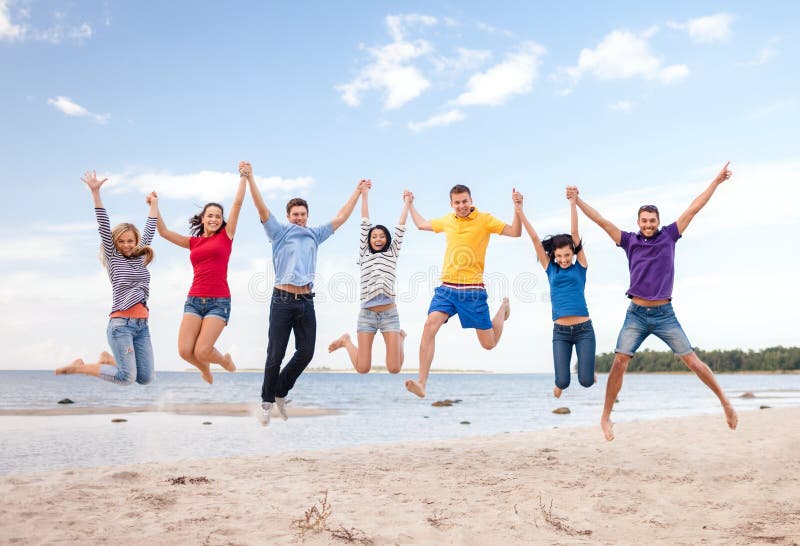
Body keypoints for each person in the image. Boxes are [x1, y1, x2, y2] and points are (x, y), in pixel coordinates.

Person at [571, 162, 738, 441]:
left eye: (652, 220)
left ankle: (726, 404)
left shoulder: (670, 236)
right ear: (638, 223)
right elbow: (601, 221)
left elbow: (694, 208)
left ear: (657, 222)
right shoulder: (628, 241)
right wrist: (577, 201)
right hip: (636, 314)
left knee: (694, 362)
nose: (648, 224)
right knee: (619, 362)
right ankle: (606, 417)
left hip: (664, 314)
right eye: (644, 221)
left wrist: (716, 181)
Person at [241, 161, 364, 425]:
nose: (299, 217)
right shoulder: (279, 232)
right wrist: (250, 178)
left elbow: (341, 217)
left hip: (306, 301)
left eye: (303, 214)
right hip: (282, 299)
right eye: (295, 214)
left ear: (308, 215)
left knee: (306, 352)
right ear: (288, 216)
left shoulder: (314, 234)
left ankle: (279, 392)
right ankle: (266, 402)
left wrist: (357, 191)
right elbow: (261, 208)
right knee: (275, 353)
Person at [403, 184, 522, 398]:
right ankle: (422, 382)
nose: (461, 206)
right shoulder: (447, 220)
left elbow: (515, 232)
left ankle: (503, 308)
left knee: (488, 344)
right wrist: (410, 204)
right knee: (430, 325)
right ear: (451, 204)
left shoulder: (485, 220)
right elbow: (421, 225)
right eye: (457, 202)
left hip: (473, 291)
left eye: (465, 201)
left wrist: (518, 208)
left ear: (471, 200)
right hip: (447, 288)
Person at [56, 171, 158, 385]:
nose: (127, 245)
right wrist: (95, 192)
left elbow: (150, 228)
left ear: (136, 241)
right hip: (121, 324)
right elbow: (103, 224)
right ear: (116, 243)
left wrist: (153, 204)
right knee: (126, 378)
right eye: (122, 241)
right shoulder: (113, 257)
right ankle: (82, 368)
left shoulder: (141, 256)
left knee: (145, 378)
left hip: (142, 325)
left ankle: (108, 360)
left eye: (130, 241)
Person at [152, 167, 246, 384]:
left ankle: (223, 361)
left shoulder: (226, 236)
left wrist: (244, 178)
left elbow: (237, 204)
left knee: (202, 350)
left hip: (219, 301)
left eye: (218, 216)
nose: (214, 219)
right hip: (194, 300)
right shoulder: (193, 242)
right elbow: (164, 233)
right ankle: (204, 368)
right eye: (210, 215)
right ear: (203, 218)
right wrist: (154, 207)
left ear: (222, 220)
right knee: (185, 351)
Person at [516, 188, 596, 398]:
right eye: (559, 256)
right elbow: (534, 239)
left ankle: (590, 373)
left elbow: (575, 233)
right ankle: (561, 383)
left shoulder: (581, 266)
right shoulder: (550, 268)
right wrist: (520, 210)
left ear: (573, 252)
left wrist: (573, 202)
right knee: (562, 381)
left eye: (567, 254)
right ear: (554, 255)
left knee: (586, 382)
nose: (563, 259)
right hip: (560, 332)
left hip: (584, 329)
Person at [327, 183, 410, 373]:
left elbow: (400, 228)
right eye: (374, 236)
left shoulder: (392, 253)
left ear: (387, 240)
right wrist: (364, 195)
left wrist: (406, 203)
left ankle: (401, 339)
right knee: (363, 368)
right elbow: (365, 222)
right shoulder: (365, 253)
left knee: (395, 368)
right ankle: (346, 341)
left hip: (390, 314)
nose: (378, 238)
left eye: (382, 236)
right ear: (369, 240)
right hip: (367, 315)